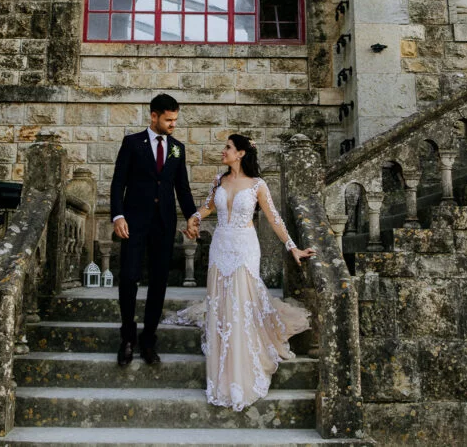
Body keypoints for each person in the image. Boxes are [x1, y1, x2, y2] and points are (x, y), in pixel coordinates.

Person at [173, 134, 315, 411]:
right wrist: (195, 219)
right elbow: (207, 206)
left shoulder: (257, 185)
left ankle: (242, 370)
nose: (222, 151)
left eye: (227, 147)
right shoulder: (219, 180)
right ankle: (222, 369)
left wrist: (292, 247)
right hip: (220, 247)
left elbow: (274, 217)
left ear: (240, 153)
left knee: (241, 305)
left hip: (245, 248)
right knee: (222, 307)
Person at [110, 93, 197, 366]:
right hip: (133, 223)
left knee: (159, 283)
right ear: (154, 116)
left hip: (163, 224)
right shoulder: (132, 143)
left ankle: (149, 340)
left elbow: (181, 188)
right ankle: (127, 338)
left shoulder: (177, 148)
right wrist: (117, 216)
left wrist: (191, 216)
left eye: (175, 120)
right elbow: (117, 183)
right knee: (129, 278)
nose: (173, 125)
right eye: (168, 120)